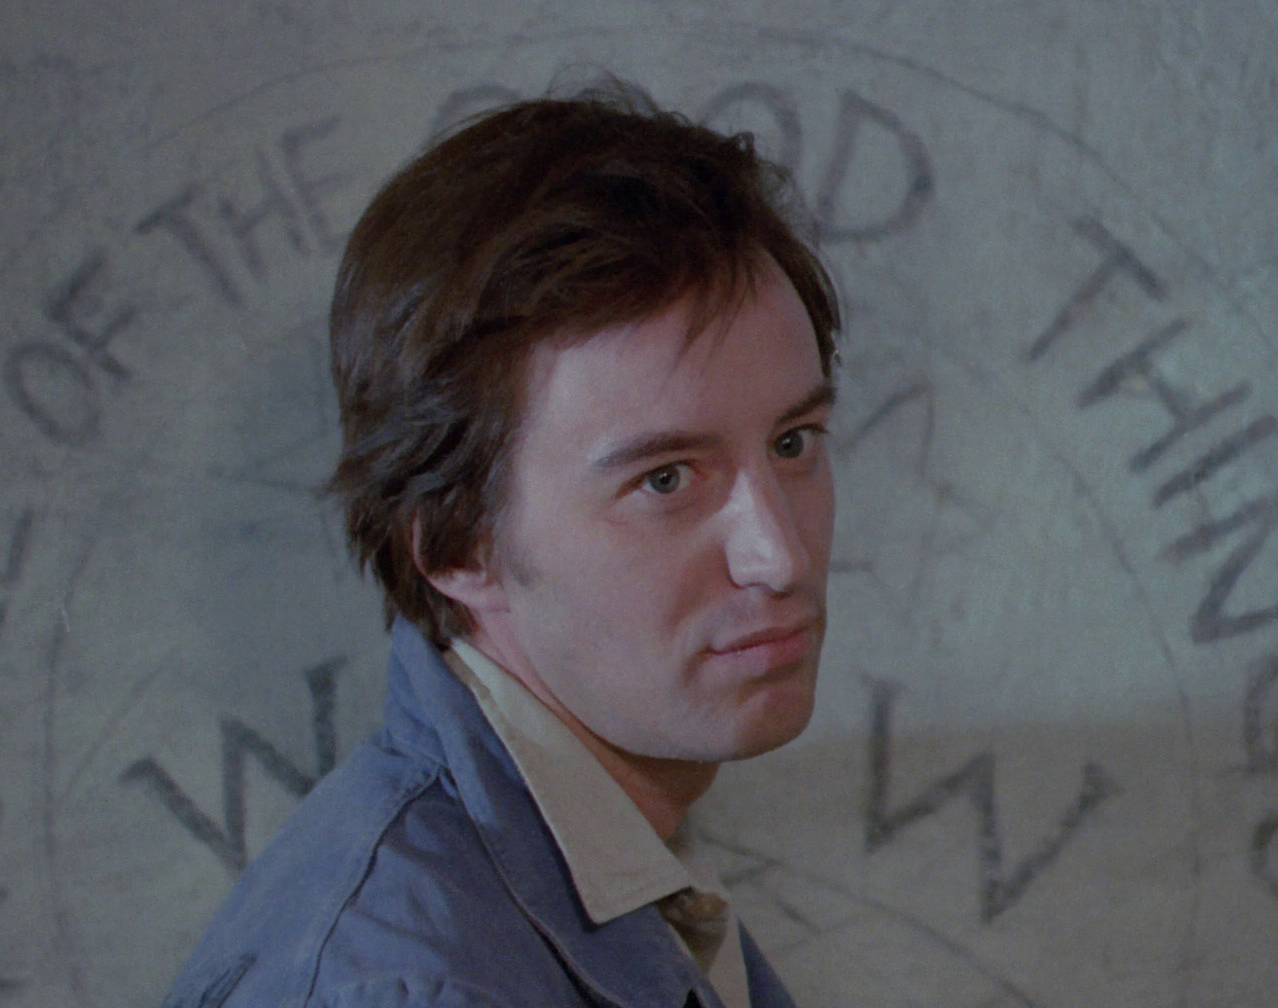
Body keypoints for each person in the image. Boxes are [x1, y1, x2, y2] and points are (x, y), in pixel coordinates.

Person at [163, 82, 842, 1008]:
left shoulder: (618, 858)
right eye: (665, 480)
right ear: (455, 545)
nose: (781, 557)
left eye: (793, 444)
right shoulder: (407, 985)